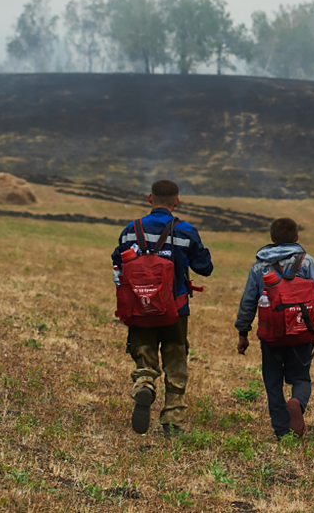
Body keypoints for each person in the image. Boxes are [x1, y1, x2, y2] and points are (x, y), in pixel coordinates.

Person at [112, 180, 213, 437]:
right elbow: (205, 268)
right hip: (175, 309)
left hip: (140, 307)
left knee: (144, 354)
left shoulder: (130, 230)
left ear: (149, 199)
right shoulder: (185, 230)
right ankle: (172, 419)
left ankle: (145, 384)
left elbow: (117, 261)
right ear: (176, 201)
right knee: (175, 361)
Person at [234, 217, 314, 440]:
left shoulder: (259, 265)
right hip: (301, 331)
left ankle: (281, 431)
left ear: (271, 238)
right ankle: (297, 402)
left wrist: (243, 333)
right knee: (301, 378)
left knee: (272, 381)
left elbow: (248, 301)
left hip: (271, 334)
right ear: (296, 238)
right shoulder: (307, 262)